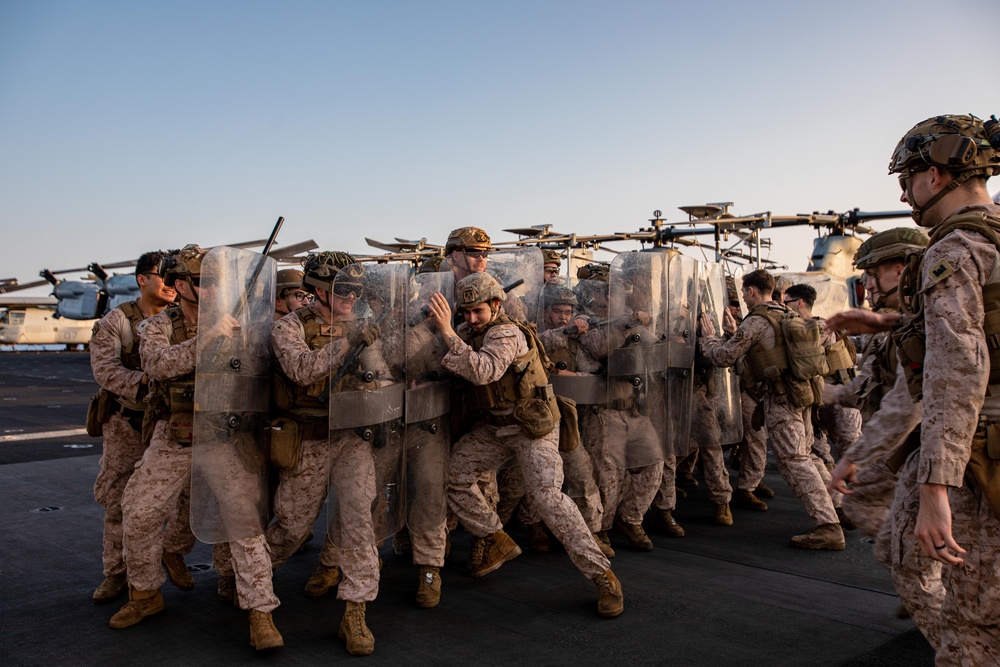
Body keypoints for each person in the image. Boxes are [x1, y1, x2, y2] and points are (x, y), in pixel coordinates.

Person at [830, 113, 1000, 663]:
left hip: (981, 452)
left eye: (906, 181)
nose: (904, 194)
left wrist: (935, 489)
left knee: (973, 626)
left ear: (934, 175)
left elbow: (955, 373)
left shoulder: (953, 252)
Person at [113, 245, 283, 650]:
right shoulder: (159, 325)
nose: (210, 290)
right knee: (139, 511)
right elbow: (156, 365)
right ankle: (145, 594)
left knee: (244, 521)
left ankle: (260, 611)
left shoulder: (237, 322)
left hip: (224, 434)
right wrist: (208, 338)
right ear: (178, 284)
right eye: (201, 282)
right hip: (176, 434)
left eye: (216, 283)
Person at [426, 272, 624, 618]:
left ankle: (602, 576)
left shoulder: (505, 332)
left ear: (496, 306)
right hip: (498, 426)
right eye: (466, 313)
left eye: (479, 312)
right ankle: (494, 537)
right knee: (453, 475)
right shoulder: (473, 332)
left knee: (548, 498)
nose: (471, 319)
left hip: (532, 426)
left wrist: (446, 332)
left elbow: (484, 370)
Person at [269, 251, 385, 656]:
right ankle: (250, 575)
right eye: (343, 289)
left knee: (358, 520)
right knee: (292, 528)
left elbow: (383, 373)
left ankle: (355, 611)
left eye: (356, 289)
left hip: (352, 438)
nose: (353, 296)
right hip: (310, 438)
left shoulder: (365, 328)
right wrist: (347, 343)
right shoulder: (290, 327)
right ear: (318, 290)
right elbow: (301, 370)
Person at [699, 269, 844, 549]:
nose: (742, 298)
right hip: (801, 395)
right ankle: (839, 507)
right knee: (808, 457)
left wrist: (708, 339)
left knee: (795, 461)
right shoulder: (787, 314)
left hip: (781, 399)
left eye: (744, 292)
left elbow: (724, 357)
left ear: (752, 291)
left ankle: (828, 525)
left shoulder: (757, 320)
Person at [89, 251, 195, 604]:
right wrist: (148, 383)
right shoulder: (115, 322)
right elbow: (105, 371)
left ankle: (171, 551)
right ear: (142, 280)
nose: (169, 285)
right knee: (120, 500)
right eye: (161, 277)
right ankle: (116, 574)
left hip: (173, 422)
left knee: (186, 498)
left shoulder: (185, 318)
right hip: (129, 421)